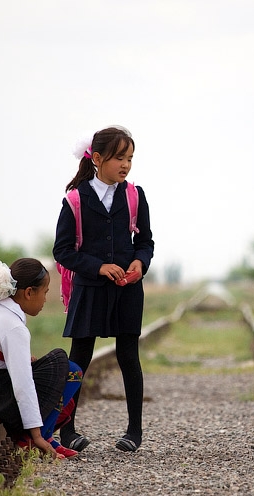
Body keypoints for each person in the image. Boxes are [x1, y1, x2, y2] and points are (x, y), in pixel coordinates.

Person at [53, 126, 154, 453]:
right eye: (119, 158)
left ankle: (134, 431)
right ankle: (67, 431)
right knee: (79, 359)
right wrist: (97, 266)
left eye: (130, 158)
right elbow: (63, 251)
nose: (126, 164)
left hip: (127, 290)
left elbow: (145, 242)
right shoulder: (75, 200)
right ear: (97, 159)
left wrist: (139, 264)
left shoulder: (135, 196)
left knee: (129, 356)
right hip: (89, 290)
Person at [0, 258, 83, 459]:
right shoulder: (13, 327)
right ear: (29, 292)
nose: (45, 299)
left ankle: (41, 436)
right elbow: (22, 385)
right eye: (45, 292)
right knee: (69, 368)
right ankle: (40, 438)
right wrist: (36, 434)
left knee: (54, 365)